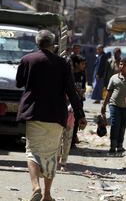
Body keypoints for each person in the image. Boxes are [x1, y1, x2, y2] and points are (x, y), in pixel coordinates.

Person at [16, 30, 87, 201]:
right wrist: (80, 115)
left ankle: (35, 187)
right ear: (53, 45)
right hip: (56, 115)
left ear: (37, 43)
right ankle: (47, 194)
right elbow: (71, 91)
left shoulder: (27, 60)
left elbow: (19, 83)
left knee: (32, 152)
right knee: (50, 154)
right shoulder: (63, 63)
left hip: (34, 113)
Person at [101, 58, 126, 155]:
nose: (121, 67)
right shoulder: (113, 78)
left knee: (122, 126)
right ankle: (112, 146)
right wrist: (104, 105)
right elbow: (109, 93)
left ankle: (119, 145)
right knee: (115, 124)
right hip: (114, 104)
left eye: (124, 65)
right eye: (121, 64)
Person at [70, 54, 87, 148]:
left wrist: (82, 91)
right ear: (76, 64)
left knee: (77, 121)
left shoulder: (82, 74)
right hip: (71, 102)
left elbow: (84, 86)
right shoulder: (70, 74)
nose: (84, 66)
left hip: (79, 100)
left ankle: (72, 140)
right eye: (82, 64)